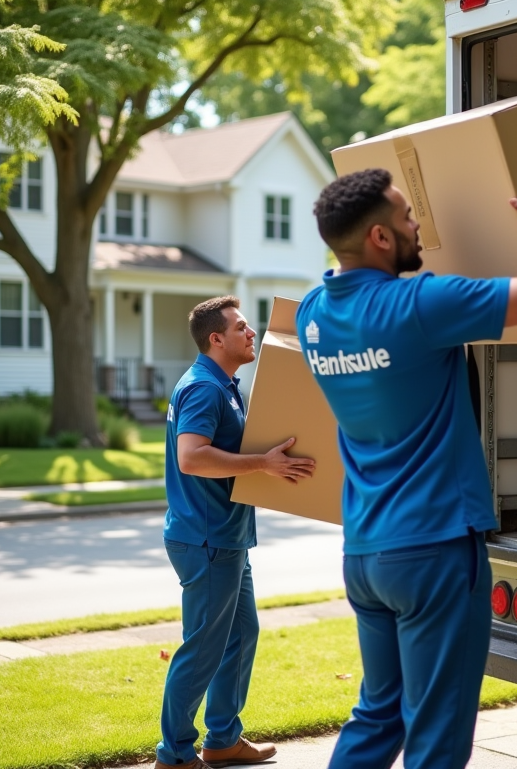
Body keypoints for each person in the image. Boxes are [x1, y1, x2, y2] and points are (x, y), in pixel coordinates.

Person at [300, 164, 517, 768]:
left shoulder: (312, 317)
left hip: (367, 551)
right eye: (406, 215)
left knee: (377, 716)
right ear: (379, 238)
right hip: (434, 549)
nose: (418, 222)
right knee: (438, 736)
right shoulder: (420, 304)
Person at [155, 296, 317, 769]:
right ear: (216, 338)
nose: (252, 333)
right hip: (206, 540)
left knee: (242, 633)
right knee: (202, 649)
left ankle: (223, 739)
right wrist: (263, 464)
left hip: (225, 536)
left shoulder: (223, 385)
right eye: (242, 327)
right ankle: (175, 753)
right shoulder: (204, 388)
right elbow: (192, 456)